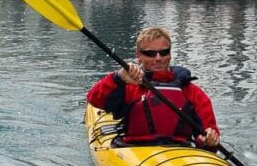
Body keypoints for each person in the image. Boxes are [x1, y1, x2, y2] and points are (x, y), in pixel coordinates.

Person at [86, 27, 220, 148]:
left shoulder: (191, 91)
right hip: (135, 149)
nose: (158, 58)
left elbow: (208, 131)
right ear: (138, 56)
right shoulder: (130, 85)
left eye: (164, 52)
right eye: (150, 54)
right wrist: (118, 77)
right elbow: (94, 99)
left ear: (170, 54)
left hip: (180, 150)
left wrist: (209, 138)